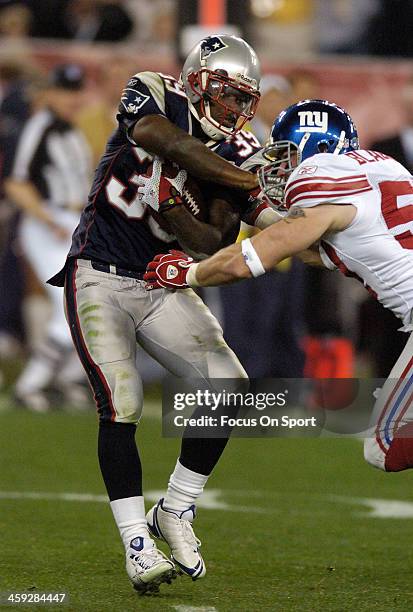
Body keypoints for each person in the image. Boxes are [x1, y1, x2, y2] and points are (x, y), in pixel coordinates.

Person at [48, 35, 280, 593]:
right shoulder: (156, 93)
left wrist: (334, 239)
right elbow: (155, 135)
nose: (233, 110)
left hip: (159, 283)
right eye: (225, 94)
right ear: (198, 80)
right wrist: (241, 176)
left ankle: (175, 509)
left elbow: (213, 236)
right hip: (98, 273)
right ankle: (135, 543)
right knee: (123, 403)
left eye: (242, 99)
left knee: (229, 388)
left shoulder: (240, 149)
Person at [145, 99, 413, 477]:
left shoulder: (320, 176)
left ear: (318, 149)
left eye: (286, 154)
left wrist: (188, 273)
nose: (278, 167)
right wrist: (257, 211)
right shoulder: (383, 167)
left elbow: (250, 260)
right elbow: (313, 251)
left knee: (385, 447)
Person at [4, 63, 92, 411]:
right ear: (50, 93)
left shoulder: (74, 132)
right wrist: (46, 218)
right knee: (69, 305)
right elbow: (14, 182)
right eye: (66, 91)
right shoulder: (38, 127)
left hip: (74, 222)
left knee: (84, 304)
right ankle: (29, 386)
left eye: (77, 91)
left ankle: (66, 379)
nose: (72, 98)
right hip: (48, 221)